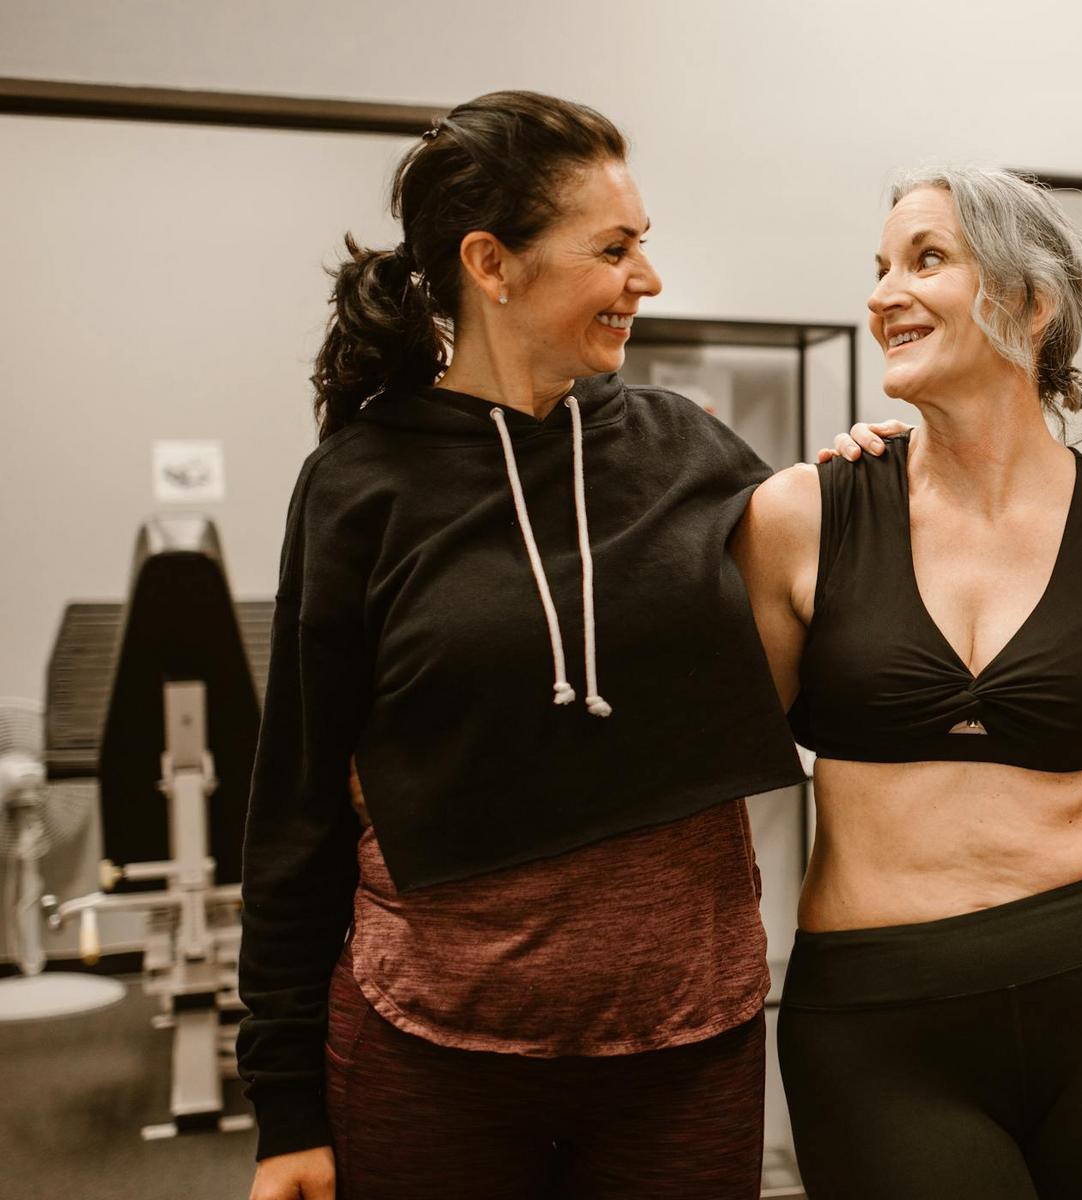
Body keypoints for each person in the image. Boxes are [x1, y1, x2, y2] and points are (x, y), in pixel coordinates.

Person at [238, 90, 804, 1200]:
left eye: (644, 244)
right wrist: (284, 1106)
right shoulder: (361, 484)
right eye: (614, 249)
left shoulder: (687, 447)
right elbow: (296, 799)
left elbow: (824, 626)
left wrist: (873, 484)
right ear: (491, 264)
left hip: (689, 1044)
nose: (647, 278)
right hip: (432, 1049)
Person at [733, 166, 1082, 1200]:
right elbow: (710, 774)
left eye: (925, 259)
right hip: (880, 1019)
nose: (884, 294)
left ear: (1029, 300)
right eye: (881, 267)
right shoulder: (802, 515)